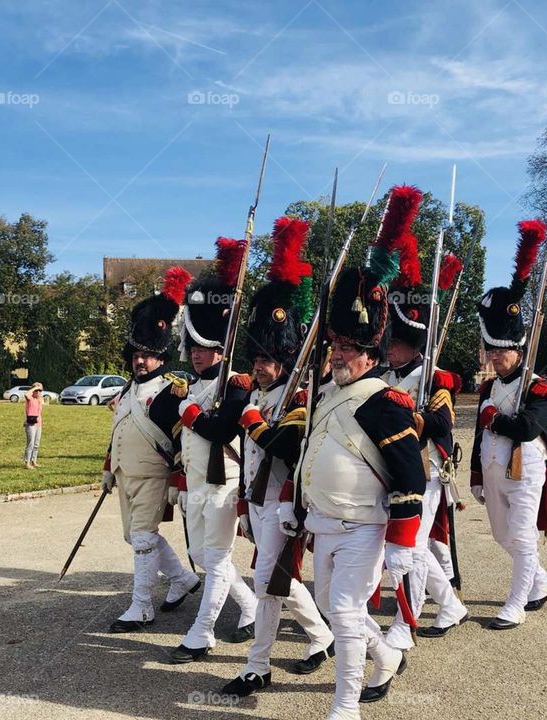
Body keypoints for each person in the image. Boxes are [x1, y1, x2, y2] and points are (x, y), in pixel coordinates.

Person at [279, 191, 427, 719]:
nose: (338, 355)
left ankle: (345, 707)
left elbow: (411, 475)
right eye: (335, 347)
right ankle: (385, 656)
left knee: (342, 611)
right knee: (333, 608)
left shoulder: (387, 403)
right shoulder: (325, 395)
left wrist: (403, 542)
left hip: (365, 526)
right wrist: (292, 503)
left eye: (349, 349)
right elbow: (309, 457)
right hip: (323, 523)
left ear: (371, 352)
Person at [217, 217, 334, 698]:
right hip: (259, 500)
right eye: (257, 358)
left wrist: (254, 425)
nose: (260, 366)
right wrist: (245, 500)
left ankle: (257, 665)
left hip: (287, 502)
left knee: (266, 582)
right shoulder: (260, 394)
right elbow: (247, 457)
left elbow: (288, 448)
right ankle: (324, 636)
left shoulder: (300, 396)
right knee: (274, 579)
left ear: (284, 360)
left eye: (268, 360)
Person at [379, 186, 468, 651]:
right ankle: (449, 604)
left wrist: (412, 419)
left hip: (426, 469)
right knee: (405, 548)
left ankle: (404, 625)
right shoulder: (387, 373)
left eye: (395, 340)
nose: (387, 346)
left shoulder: (437, 376)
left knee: (410, 547)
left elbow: (441, 426)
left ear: (413, 340)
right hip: (391, 468)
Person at [166, 238, 258, 663]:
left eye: (204, 349)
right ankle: (253, 605)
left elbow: (222, 430)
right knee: (201, 554)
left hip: (225, 482)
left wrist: (190, 414)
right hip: (200, 482)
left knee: (216, 559)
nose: (197, 355)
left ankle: (201, 633)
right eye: (194, 348)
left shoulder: (237, 382)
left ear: (220, 347)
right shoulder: (197, 384)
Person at [100, 267, 201, 633]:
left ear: (161, 358)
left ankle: (141, 606)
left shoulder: (171, 391)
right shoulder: (127, 391)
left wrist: (179, 481)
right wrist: (109, 467)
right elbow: (118, 432)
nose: (140, 361)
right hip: (126, 474)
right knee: (136, 536)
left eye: (147, 355)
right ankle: (182, 580)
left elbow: (180, 443)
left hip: (154, 476)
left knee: (142, 539)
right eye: (136, 355)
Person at [471, 219, 547, 631]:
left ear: (517, 349)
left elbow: (527, 429)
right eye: (492, 351)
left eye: (501, 352)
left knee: (521, 537)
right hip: (492, 469)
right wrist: (475, 471)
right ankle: (542, 583)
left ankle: (516, 604)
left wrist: (495, 420)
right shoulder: (490, 387)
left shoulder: (540, 387)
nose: (495, 358)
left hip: (527, 471)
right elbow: (478, 431)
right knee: (502, 536)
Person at [23, 383, 43, 468]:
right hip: (31, 424)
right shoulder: (30, 398)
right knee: (30, 444)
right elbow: (26, 394)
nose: (38, 392)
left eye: (40, 390)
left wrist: (39, 388)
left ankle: (34, 460)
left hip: (38, 424)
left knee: (36, 444)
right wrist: (34, 388)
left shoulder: (39, 400)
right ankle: (27, 462)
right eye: (36, 390)